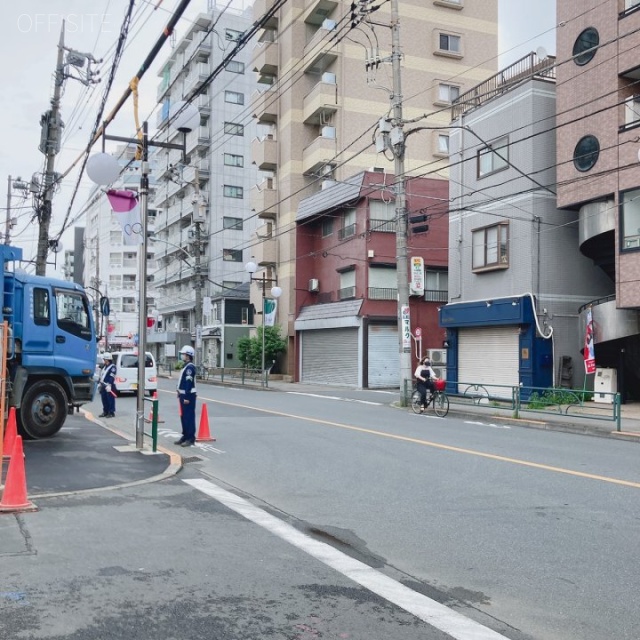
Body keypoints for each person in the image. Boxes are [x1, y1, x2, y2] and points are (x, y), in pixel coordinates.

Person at [175, 345, 197, 447]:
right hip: (183, 394)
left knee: (189, 417)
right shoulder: (186, 366)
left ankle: (190, 438)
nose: (182, 355)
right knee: (183, 417)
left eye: (183, 354)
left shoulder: (190, 368)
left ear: (188, 355)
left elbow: (188, 382)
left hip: (188, 396)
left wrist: (187, 397)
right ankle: (185, 435)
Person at [98, 353, 117, 418]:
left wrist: (109, 384)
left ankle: (111, 412)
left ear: (108, 359)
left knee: (110, 399)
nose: (104, 360)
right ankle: (105, 411)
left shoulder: (112, 367)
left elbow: (112, 376)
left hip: (109, 386)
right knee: (104, 399)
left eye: (104, 359)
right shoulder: (104, 367)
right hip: (103, 385)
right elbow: (102, 375)